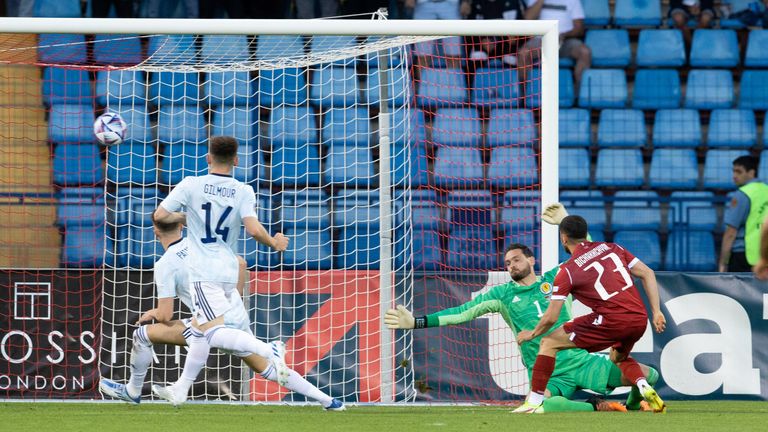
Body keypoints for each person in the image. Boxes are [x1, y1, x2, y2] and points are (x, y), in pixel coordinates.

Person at [385, 204, 658, 413]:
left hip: (582, 361)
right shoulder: (502, 294)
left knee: (650, 375)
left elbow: (590, 254)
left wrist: (565, 221)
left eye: (515, 260)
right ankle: (598, 407)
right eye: (507, 263)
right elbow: (462, 312)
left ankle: (635, 406)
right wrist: (417, 322)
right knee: (543, 406)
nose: (511, 265)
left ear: (530, 259)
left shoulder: (558, 277)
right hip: (550, 375)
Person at [152, 136, 343, 409]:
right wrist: (274, 243)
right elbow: (253, 229)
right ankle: (328, 400)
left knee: (209, 333)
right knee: (225, 344)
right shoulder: (243, 190)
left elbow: (160, 216)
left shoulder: (191, 184)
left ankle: (270, 347)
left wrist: (188, 216)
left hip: (204, 272)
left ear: (208, 158)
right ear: (236, 160)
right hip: (230, 272)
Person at [100, 215, 342, 410]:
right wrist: (231, 299)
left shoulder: (165, 264)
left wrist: (153, 311)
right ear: (182, 226)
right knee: (267, 369)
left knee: (144, 334)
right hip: (229, 313)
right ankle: (327, 400)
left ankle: (135, 391)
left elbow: (165, 315)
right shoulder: (203, 243)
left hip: (210, 322)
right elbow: (240, 263)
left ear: (155, 232)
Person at [514, 213, 667, 414]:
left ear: (563, 238)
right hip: (639, 319)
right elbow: (648, 273)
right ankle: (641, 388)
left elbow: (551, 317)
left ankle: (532, 402)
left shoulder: (567, 271)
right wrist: (656, 312)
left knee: (548, 342)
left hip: (611, 321)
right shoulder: (613, 248)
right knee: (618, 358)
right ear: (585, 234)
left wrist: (531, 334)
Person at [518, 0, 591, 90]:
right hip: (541, 40)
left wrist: (563, 35)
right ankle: (524, 97)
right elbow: (527, 20)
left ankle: (578, 96)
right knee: (524, 53)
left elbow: (579, 28)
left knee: (585, 52)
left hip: (565, 40)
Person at [719, 156, 768, 273]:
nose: (734, 176)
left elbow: (731, 233)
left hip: (743, 255)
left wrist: (723, 262)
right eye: (734, 171)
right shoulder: (766, 190)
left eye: (739, 172)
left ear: (751, 173)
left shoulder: (743, 194)